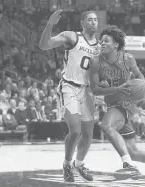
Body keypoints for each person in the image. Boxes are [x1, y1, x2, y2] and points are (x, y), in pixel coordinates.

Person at [89, 25, 145, 185]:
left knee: (106, 126)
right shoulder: (95, 61)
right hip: (112, 104)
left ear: (116, 45)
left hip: (126, 103)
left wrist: (142, 88)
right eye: (101, 41)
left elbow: (139, 76)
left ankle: (127, 165)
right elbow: (95, 90)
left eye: (106, 41)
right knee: (134, 152)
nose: (102, 43)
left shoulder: (128, 58)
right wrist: (115, 88)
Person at [39, 10, 101, 182]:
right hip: (69, 87)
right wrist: (50, 24)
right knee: (75, 131)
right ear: (82, 22)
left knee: (88, 135)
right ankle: (67, 164)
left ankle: (79, 164)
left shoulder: (100, 46)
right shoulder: (72, 37)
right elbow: (44, 45)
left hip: (87, 91)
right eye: (90, 20)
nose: (94, 23)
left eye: (96, 20)